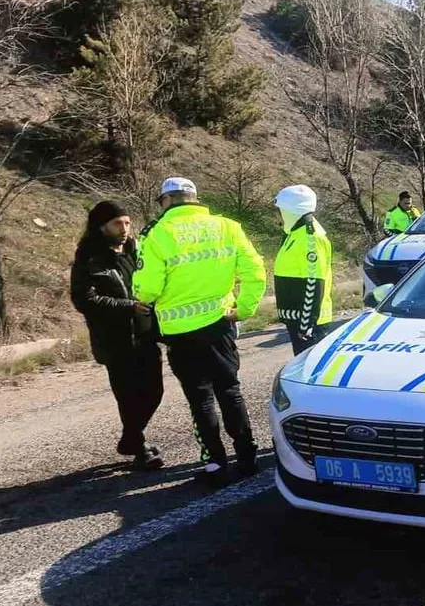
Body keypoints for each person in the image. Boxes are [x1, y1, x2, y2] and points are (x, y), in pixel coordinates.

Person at [133, 177, 267, 486]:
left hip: (180, 333)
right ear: (195, 198)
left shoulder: (157, 235)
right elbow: (255, 271)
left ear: (165, 201)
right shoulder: (227, 226)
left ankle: (215, 465)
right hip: (220, 324)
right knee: (230, 391)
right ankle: (247, 457)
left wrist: (140, 294)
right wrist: (243, 309)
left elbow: (147, 290)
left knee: (201, 398)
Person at [70, 201, 165, 471]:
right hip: (114, 340)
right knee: (129, 397)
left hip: (145, 334)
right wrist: (128, 307)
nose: (124, 229)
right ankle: (139, 447)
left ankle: (131, 439)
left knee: (154, 391)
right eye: (117, 224)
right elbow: (84, 300)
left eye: (127, 222)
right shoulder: (89, 258)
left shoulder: (137, 251)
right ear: (101, 227)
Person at [273, 184, 333, 355]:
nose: (278, 214)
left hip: (308, 323)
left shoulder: (310, 239)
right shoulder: (294, 234)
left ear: (291, 210)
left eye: (281, 209)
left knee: (308, 372)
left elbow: (314, 283)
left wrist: (307, 324)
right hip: (297, 319)